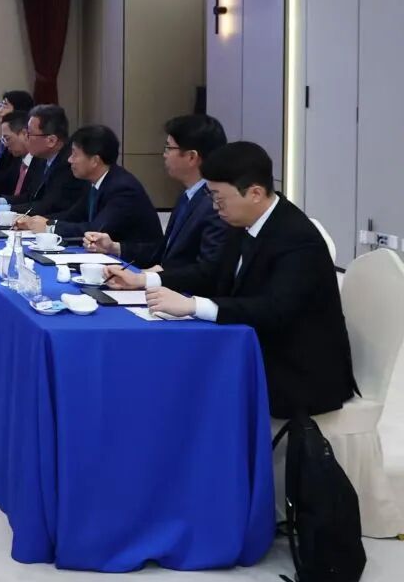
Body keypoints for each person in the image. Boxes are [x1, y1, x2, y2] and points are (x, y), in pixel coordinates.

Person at [104, 142, 356, 418]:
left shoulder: (297, 238)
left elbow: (275, 309)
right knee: (164, 369)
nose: (215, 207)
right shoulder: (245, 220)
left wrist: (193, 306)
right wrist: (144, 280)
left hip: (296, 367)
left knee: (182, 383)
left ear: (255, 193)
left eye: (219, 198)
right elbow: (209, 273)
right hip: (253, 344)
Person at [85, 114, 229, 270]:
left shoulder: (214, 204)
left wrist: (151, 278)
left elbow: (206, 271)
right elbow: (164, 252)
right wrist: (113, 247)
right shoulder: (188, 196)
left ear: (191, 157)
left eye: (169, 148)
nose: (164, 155)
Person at [14, 125, 163, 243]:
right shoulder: (93, 182)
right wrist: (37, 221)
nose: (69, 160)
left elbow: (97, 229)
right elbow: (73, 216)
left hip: (135, 264)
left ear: (94, 161)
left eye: (74, 154)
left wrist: (50, 227)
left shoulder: (122, 188)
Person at [0, 104, 86, 217]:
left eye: (29, 134)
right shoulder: (42, 159)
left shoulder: (68, 164)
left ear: (51, 140)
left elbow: (47, 206)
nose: (25, 138)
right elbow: (30, 196)